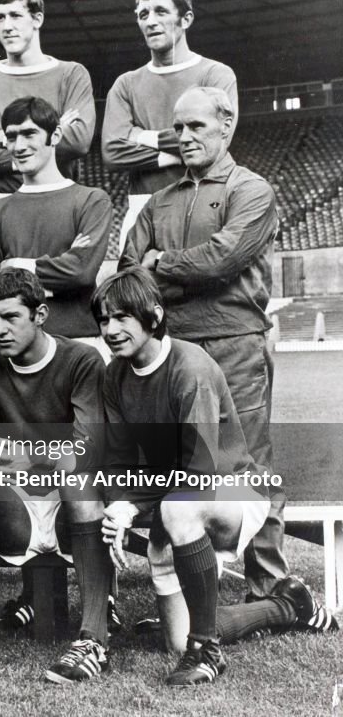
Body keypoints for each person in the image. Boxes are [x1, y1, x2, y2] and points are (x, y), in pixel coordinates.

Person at [118, 86, 285, 600]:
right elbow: (129, 274)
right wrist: (157, 272)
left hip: (235, 342)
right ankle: (189, 586)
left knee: (245, 461)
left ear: (226, 126)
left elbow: (223, 259)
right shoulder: (160, 201)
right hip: (176, 348)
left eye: (197, 127)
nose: (185, 136)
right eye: (179, 128)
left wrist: (161, 265)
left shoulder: (252, 190)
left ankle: (268, 584)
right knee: (179, 462)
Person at [93, 267, 275, 686]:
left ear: (153, 316)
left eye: (122, 317)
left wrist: (134, 505)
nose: (110, 329)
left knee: (179, 506)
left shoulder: (190, 369)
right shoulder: (115, 374)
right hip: (173, 498)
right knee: (177, 639)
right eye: (103, 320)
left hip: (231, 491)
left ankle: (207, 653)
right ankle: (285, 606)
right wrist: (119, 503)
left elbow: (200, 474)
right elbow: (117, 458)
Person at [0, 268, 111, 683]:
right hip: (15, 509)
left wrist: (21, 455)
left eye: (10, 318)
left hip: (69, 510)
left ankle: (94, 638)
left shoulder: (81, 359)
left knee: (80, 481)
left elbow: (87, 450)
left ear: (40, 314)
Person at [0, 0, 94, 258]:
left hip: (59, 202)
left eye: (15, 15)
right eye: (0, 17)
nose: (7, 25)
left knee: (62, 294)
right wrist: (50, 134)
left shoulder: (71, 74)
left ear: (37, 19)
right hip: (0, 203)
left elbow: (78, 142)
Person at [102, 0, 237, 251]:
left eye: (160, 12)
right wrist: (181, 151)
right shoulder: (126, 83)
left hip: (204, 200)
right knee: (139, 291)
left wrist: (142, 136)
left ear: (185, 19)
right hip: (143, 205)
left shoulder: (215, 74)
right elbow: (112, 153)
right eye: (143, 14)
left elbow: (216, 142)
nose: (150, 21)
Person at [0, 97, 112, 356]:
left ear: (55, 134)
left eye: (29, 134)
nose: (19, 145)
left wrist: (16, 265)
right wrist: (59, 269)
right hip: (17, 346)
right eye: (11, 137)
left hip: (79, 342)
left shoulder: (92, 200)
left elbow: (81, 273)